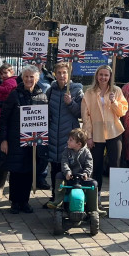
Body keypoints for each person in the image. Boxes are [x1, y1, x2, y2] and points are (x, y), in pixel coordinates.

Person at [0, 65, 48, 213]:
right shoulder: (14, 94)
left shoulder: (42, 96)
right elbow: (4, 118)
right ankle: (14, 202)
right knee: (16, 172)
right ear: (22, 78)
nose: (28, 79)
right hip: (15, 140)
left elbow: (45, 119)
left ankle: (24, 201)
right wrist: (4, 139)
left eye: (32, 77)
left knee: (29, 171)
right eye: (26, 76)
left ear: (37, 78)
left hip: (33, 141)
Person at [81, 64, 128, 207]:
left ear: (110, 77)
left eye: (106, 75)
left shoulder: (117, 91)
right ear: (97, 76)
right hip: (96, 132)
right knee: (96, 165)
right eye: (101, 75)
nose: (103, 77)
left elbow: (122, 112)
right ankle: (96, 194)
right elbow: (86, 115)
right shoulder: (89, 92)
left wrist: (114, 102)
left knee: (115, 164)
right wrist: (88, 136)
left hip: (114, 131)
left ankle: (115, 196)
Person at [46, 62, 83, 207]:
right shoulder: (51, 90)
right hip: (53, 134)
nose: (62, 76)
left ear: (69, 74)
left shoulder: (77, 90)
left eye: (64, 73)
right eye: (59, 72)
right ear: (55, 73)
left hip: (69, 136)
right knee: (55, 167)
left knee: (69, 167)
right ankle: (55, 197)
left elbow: (81, 113)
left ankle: (68, 198)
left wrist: (70, 103)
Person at [53, 129, 98, 212]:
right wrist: (67, 172)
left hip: (82, 178)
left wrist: (86, 173)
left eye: (71, 140)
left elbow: (89, 165)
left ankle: (93, 208)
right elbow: (64, 163)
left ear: (79, 144)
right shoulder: (66, 151)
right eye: (68, 139)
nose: (67, 141)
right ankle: (58, 201)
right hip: (70, 177)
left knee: (94, 183)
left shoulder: (86, 152)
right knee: (59, 175)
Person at [0, 63, 17, 201]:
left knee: (15, 158)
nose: (4, 75)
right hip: (3, 125)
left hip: (14, 126)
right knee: (2, 156)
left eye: (6, 72)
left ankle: (15, 190)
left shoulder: (13, 84)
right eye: (1, 73)